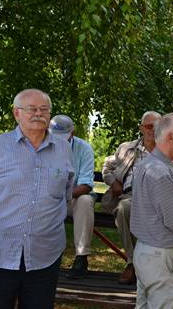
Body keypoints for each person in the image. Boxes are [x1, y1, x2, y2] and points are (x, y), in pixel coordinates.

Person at [0, 89, 74, 309]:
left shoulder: (63, 150)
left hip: (45, 256)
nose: (38, 114)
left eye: (44, 109)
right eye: (31, 109)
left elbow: (65, 195)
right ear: (16, 113)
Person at [102, 111, 173, 284]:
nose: (153, 130)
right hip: (131, 196)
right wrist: (113, 183)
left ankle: (146, 264)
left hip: (160, 198)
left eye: (157, 126)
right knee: (123, 208)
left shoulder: (169, 147)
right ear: (141, 128)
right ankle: (132, 262)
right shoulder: (126, 148)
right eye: (149, 126)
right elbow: (107, 166)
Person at [131, 113, 173, 309]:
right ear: (170, 137)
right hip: (162, 257)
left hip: (145, 251)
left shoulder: (146, 165)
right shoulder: (160, 171)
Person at [49, 114, 96, 279]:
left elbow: (86, 185)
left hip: (73, 199)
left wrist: (61, 196)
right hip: (48, 199)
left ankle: (81, 258)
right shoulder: (42, 146)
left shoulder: (84, 149)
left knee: (85, 200)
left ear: (72, 133)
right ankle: (43, 259)